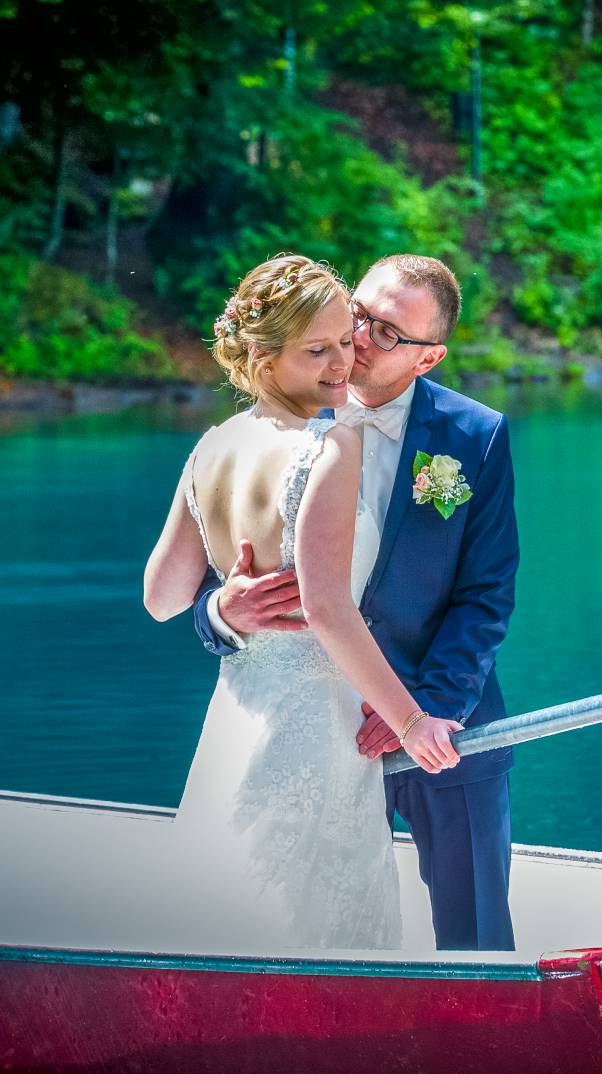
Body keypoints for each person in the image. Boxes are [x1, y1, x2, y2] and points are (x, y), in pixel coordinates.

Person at [190, 253, 519, 952]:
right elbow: (206, 576)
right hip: (305, 721)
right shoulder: (273, 425)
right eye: (360, 314)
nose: (360, 337)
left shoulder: (474, 438)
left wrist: (424, 708)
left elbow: (484, 595)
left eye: (388, 332)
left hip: (436, 721)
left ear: (429, 358)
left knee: (476, 938)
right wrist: (222, 614)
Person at [144, 253, 441, 950]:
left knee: (230, 922)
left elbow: (160, 597)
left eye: (346, 341)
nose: (342, 364)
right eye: (317, 351)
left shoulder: (213, 446)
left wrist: (223, 609)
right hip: (315, 726)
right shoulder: (329, 445)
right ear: (262, 355)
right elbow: (328, 611)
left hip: (236, 719)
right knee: (321, 935)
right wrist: (410, 721)